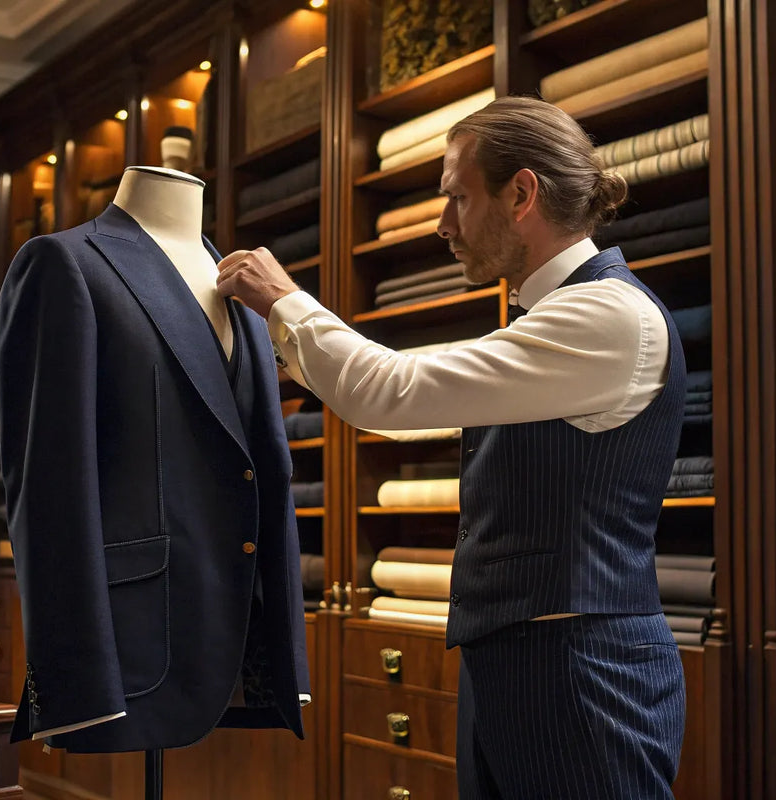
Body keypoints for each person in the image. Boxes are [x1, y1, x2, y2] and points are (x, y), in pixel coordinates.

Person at [218, 96, 687, 799]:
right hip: (523, 663)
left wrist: (283, 298)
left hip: (580, 672)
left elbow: (392, 391)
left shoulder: (607, 315)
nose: (442, 225)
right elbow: (398, 402)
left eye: (457, 199)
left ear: (521, 193)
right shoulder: (555, 316)